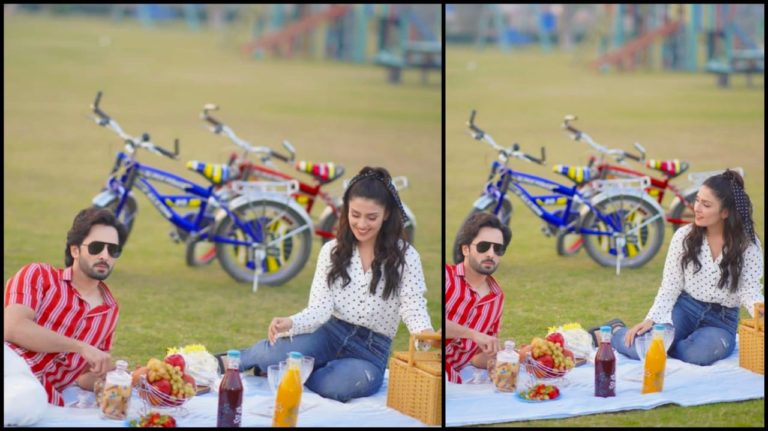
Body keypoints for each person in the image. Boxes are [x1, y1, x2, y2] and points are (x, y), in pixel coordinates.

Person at [228, 166, 438, 402]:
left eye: (372, 217)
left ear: (386, 214)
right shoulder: (332, 251)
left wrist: (426, 335)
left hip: (371, 351)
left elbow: (413, 306)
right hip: (328, 332)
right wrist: (291, 322)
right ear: (346, 210)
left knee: (341, 386)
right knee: (270, 354)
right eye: (355, 214)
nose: (361, 224)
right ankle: (227, 362)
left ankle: (301, 370)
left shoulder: (407, 257)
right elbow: (320, 308)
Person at [598, 170, 763, 366]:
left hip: (722, 320)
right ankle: (614, 330)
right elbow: (671, 285)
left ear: (725, 212)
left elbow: (750, 291)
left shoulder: (748, 246)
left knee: (698, 355)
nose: (697, 208)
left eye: (706, 204)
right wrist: (651, 320)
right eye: (697, 200)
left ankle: (670, 346)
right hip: (685, 308)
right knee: (642, 348)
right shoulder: (684, 237)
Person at [4, 207, 127, 406]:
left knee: (28, 402)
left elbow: (84, 377)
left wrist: (118, 378)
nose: (105, 255)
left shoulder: (110, 310)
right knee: (25, 401)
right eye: (96, 247)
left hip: (40, 394)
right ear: (75, 250)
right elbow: (12, 327)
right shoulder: (39, 275)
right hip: (10, 365)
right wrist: (80, 346)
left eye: (113, 250)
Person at [445, 212, 512, 383]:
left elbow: (477, 358)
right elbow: (431, 328)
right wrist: (472, 334)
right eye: (483, 247)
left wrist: (506, 355)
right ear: (465, 249)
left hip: (455, 381)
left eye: (498, 249)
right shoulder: (446, 277)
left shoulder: (497, 298)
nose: (491, 254)